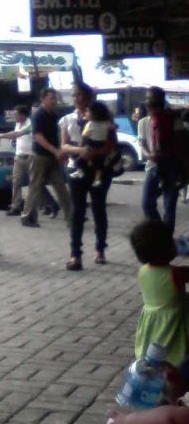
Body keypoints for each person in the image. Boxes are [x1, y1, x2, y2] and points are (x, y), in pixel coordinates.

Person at [60, 82, 116, 271]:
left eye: (82, 95)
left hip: (100, 168)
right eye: (75, 95)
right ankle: (75, 254)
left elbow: (111, 145)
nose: (78, 99)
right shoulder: (66, 119)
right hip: (76, 167)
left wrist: (95, 152)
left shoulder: (104, 118)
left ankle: (100, 249)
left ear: (89, 97)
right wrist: (81, 150)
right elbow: (64, 146)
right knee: (77, 211)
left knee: (99, 208)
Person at [130, 220, 189, 369]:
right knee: (176, 358)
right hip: (173, 324)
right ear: (167, 249)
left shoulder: (143, 270)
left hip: (152, 325)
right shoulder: (175, 274)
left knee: (157, 359)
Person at [19, 88, 71, 229]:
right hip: (40, 157)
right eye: (51, 98)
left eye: (55, 98)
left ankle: (71, 216)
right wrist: (55, 151)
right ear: (43, 99)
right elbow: (38, 137)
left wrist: (60, 152)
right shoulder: (38, 115)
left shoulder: (54, 115)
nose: (54, 101)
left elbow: (57, 135)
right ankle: (27, 216)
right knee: (36, 186)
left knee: (60, 186)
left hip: (53, 157)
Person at [142, 86, 180, 234]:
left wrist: (183, 170)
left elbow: (181, 144)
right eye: (147, 98)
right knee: (146, 204)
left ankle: (166, 240)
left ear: (160, 100)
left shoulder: (173, 119)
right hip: (153, 166)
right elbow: (142, 143)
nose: (147, 101)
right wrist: (149, 155)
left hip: (171, 166)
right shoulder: (143, 122)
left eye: (150, 98)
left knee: (169, 206)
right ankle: (162, 233)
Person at [0, 104, 36, 218]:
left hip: (30, 157)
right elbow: (16, 137)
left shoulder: (30, 124)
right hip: (18, 157)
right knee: (16, 182)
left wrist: (1, 136)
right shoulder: (17, 124)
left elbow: (16, 134)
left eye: (16, 114)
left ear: (23, 115)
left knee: (35, 184)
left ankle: (49, 204)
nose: (15, 117)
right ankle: (15, 207)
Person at [70, 100, 120, 188]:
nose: (86, 113)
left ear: (95, 114)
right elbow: (113, 128)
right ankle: (96, 178)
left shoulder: (90, 124)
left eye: (88, 111)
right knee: (98, 164)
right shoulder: (106, 123)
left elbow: (84, 136)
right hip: (100, 144)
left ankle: (84, 172)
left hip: (92, 144)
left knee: (84, 160)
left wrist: (81, 147)